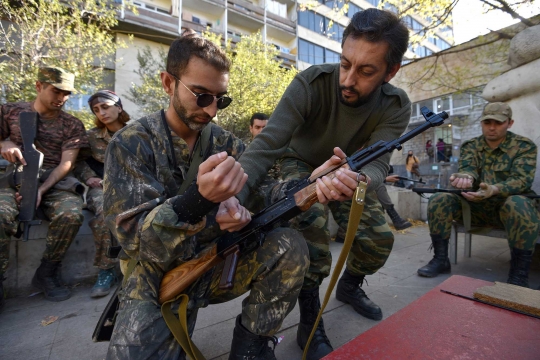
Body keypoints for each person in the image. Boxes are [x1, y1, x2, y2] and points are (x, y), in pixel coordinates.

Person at [102, 34, 310, 359]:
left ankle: (250, 346)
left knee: (290, 246)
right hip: (156, 272)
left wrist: (312, 184)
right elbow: (135, 241)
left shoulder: (227, 144)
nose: (212, 110)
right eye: (201, 96)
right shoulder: (131, 144)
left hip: (217, 259)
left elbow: (263, 193)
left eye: (220, 99)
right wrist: (199, 200)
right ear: (169, 83)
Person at [236, 9, 411, 359]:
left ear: (391, 72)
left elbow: (378, 162)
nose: (347, 80)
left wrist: (358, 178)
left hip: (350, 172)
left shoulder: (395, 105)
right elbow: (266, 145)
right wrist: (231, 197)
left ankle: (348, 286)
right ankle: (310, 319)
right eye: (345, 63)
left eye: (365, 71)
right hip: (298, 163)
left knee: (378, 239)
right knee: (309, 231)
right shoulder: (311, 83)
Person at [418, 102, 539, 288]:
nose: (492, 127)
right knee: (439, 199)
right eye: (487, 122)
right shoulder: (471, 146)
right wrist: (465, 178)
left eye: (498, 123)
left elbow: (522, 180)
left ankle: (518, 274)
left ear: (510, 123)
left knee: (518, 204)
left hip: (508, 211)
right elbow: (469, 169)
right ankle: (441, 259)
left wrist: (495, 189)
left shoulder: (524, 146)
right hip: (475, 208)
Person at [0, 67, 88, 307]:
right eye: (56, 91)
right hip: (12, 177)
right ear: (39, 86)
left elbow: (67, 163)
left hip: (52, 180)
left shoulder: (72, 124)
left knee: (71, 214)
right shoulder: (9, 111)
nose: (61, 98)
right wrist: (5, 143)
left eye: (66, 93)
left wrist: (39, 190)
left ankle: (47, 272)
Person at [73, 90, 130, 298]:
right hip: (102, 189)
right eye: (96, 110)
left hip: (133, 187)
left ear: (119, 107)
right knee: (103, 216)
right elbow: (77, 162)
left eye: (105, 107)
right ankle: (106, 270)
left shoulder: (136, 132)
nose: (101, 113)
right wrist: (88, 177)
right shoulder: (91, 137)